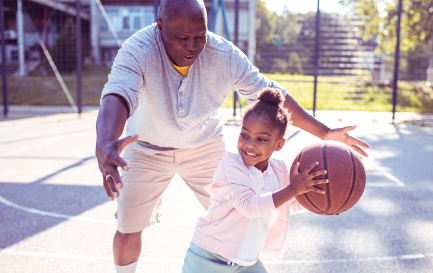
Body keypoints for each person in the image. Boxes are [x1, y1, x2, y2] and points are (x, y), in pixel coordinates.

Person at [95, 0, 369, 272]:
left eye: (199, 36)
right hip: (146, 146)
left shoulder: (222, 55)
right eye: (182, 37)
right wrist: (106, 140)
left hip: (203, 144)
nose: (192, 45)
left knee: (244, 212)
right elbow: (118, 94)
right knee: (128, 228)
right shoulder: (138, 50)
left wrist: (324, 132)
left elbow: (272, 97)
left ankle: (240, 264)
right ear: (160, 26)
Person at [181, 88, 327, 272]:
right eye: (244, 135)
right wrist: (294, 189)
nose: (249, 144)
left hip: (247, 262)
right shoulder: (231, 165)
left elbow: (293, 203)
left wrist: (322, 201)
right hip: (208, 257)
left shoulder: (280, 171)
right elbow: (250, 206)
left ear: (279, 144)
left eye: (261, 139)